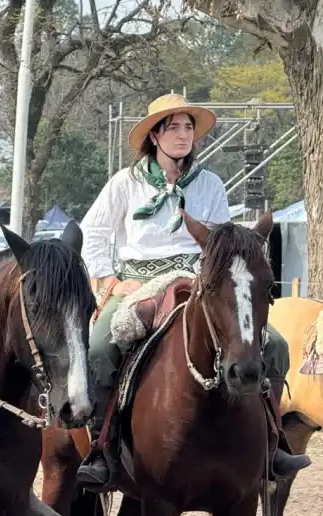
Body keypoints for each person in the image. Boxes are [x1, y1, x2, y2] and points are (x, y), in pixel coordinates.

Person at [76, 93, 310, 488]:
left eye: (188, 127)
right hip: (138, 282)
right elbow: (92, 234)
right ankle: (103, 449)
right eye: (173, 128)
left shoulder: (210, 184)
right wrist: (110, 281)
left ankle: (273, 443)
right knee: (100, 348)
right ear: (154, 135)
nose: (183, 135)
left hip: (198, 278)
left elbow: (225, 239)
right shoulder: (125, 183)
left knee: (276, 347)